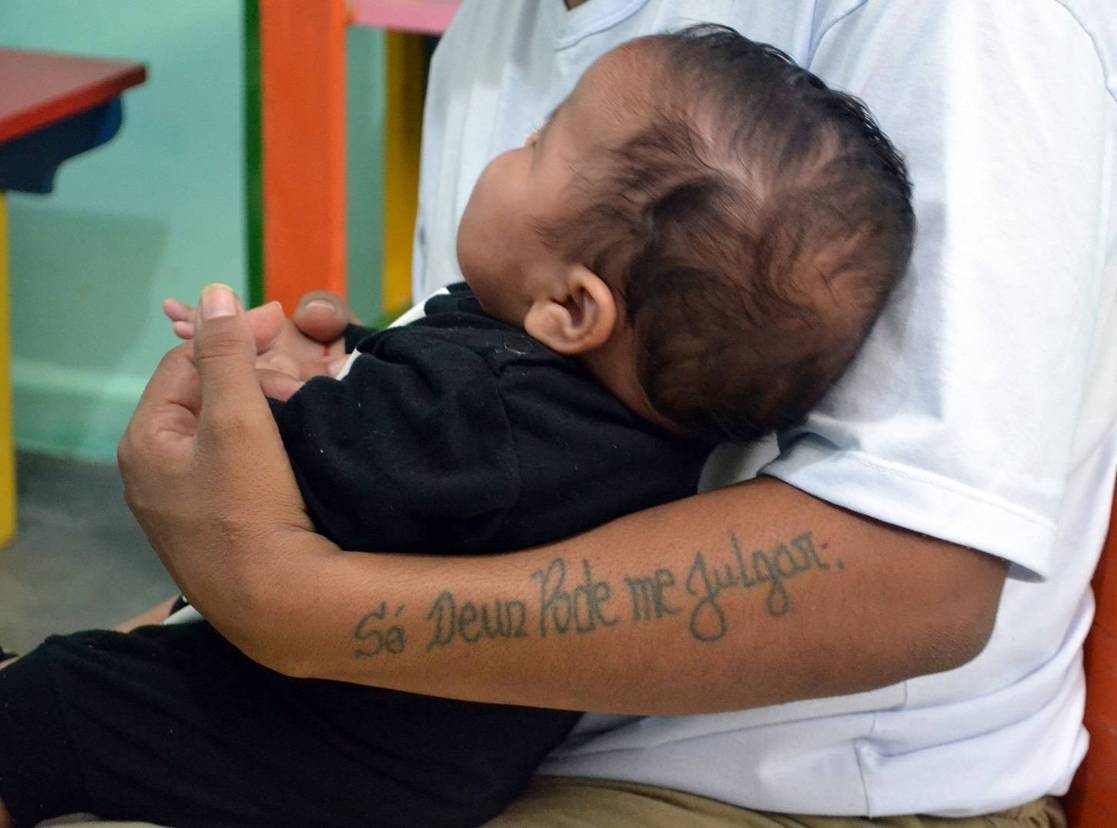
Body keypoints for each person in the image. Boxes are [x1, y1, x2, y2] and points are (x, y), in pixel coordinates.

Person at [63, 0, 1116, 825]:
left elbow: (921, 580)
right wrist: (334, 391)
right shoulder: (499, 28)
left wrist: (287, 597)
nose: (514, 155)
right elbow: (497, 400)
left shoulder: (971, 25)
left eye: (535, 148)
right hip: (441, 711)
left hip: (794, 789)